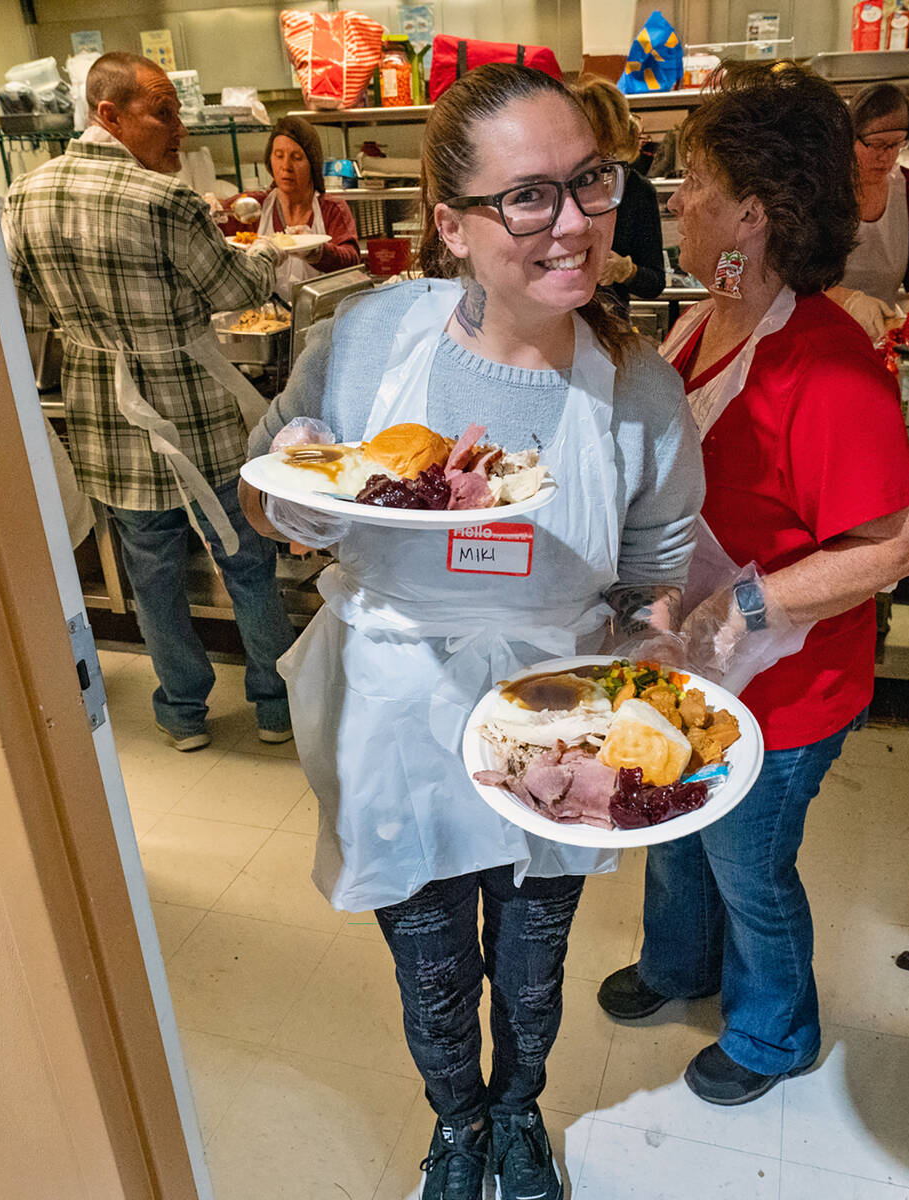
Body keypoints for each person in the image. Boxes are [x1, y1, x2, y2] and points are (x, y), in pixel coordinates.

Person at [239, 62, 704, 1200]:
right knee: (432, 957)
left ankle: (518, 1112)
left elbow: (654, 571)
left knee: (534, 958)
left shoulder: (635, 386)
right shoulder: (366, 340)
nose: (575, 223)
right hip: (394, 699)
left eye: (590, 184)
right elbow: (275, 484)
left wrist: (658, 658)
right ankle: (457, 1122)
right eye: (528, 197)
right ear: (449, 224)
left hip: (553, 705)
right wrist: (294, 499)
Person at [597, 62, 909, 1106]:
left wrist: (746, 607)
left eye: (692, 185)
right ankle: (676, 965)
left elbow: (893, 543)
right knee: (673, 809)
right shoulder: (705, 322)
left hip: (786, 686)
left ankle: (774, 1032)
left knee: (747, 858)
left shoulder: (825, 362)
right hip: (695, 659)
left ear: (749, 212)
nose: (676, 205)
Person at [4, 52, 296, 751]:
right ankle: (275, 704)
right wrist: (267, 249)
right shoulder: (164, 201)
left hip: (104, 415)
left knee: (152, 573)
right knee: (245, 558)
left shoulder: (24, 195)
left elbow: (22, 304)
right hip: (191, 411)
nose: (180, 131)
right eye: (162, 111)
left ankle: (183, 713)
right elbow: (237, 292)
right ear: (108, 114)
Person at [828, 82, 909, 340]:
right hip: (824, 331)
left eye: (896, 144)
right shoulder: (824, 190)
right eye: (876, 144)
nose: (886, 156)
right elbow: (799, 281)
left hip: (881, 334)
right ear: (850, 139)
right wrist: (850, 301)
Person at [217, 115, 361, 300]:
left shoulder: (332, 209)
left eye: (297, 157)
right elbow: (209, 226)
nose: (286, 166)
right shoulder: (253, 207)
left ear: (312, 163)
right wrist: (211, 210)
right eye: (279, 156)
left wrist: (318, 252)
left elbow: (352, 262)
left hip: (322, 319)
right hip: (265, 321)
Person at [573, 77, 666, 315]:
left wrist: (626, 270)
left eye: (605, 158)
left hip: (609, 323)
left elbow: (655, 282)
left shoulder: (637, 190)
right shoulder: (560, 187)